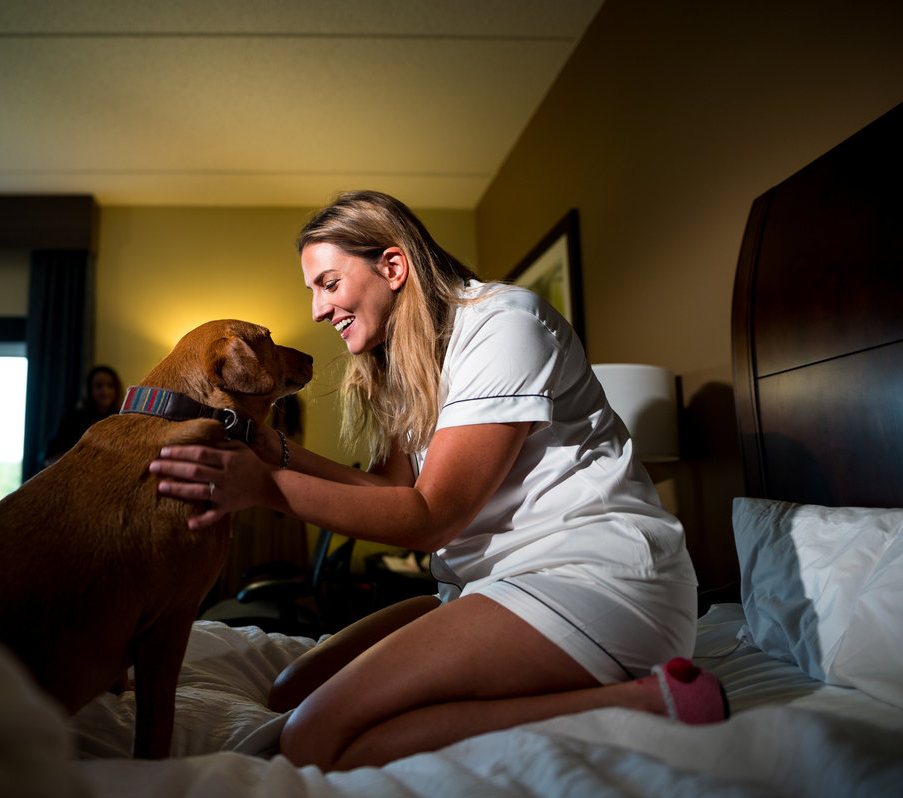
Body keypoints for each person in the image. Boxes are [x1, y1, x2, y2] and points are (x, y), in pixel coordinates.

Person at [149, 191, 726, 772]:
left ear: (393, 267)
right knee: (289, 694)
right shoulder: (410, 364)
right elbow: (388, 494)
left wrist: (267, 487)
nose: (320, 311)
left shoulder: (505, 325)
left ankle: (641, 702)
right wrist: (270, 449)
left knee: (311, 739)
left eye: (327, 283)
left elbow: (432, 517)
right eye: (313, 291)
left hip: (598, 580)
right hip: (491, 584)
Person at [43, 365, 123, 467]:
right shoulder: (73, 418)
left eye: (110, 385)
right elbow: (50, 457)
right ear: (90, 390)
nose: (105, 391)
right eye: (98, 385)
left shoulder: (122, 420)